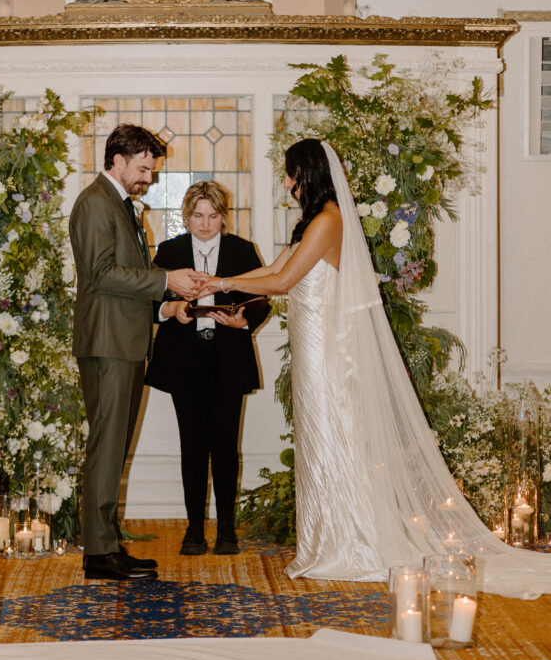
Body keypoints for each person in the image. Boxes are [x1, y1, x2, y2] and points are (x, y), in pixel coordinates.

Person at [200, 139, 550, 599]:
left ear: (306, 174)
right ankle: (327, 539)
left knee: (334, 442)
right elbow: (272, 269)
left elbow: (283, 283)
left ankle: (353, 543)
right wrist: (221, 289)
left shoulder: (329, 221)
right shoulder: (310, 224)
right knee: (317, 445)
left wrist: (219, 281)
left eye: (289, 174)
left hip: (327, 354)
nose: (285, 182)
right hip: (310, 354)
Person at [69, 124, 202, 581]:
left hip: (122, 340)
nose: (149, 177)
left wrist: (165, 308)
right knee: (106, 449)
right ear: (118, 159)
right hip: (107, 345)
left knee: (113, 448)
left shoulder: (117, 204)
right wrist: (167, 279)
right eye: (144, 168)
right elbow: (101, 274)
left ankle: (107, 547)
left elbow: (124, 281)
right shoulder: (94, 204)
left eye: (151, 169)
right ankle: (99, 554)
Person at [145, 182, 270, 556]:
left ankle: (228, 530)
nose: (205, 224)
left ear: (223, 217)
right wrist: (172, 310)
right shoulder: (170, 251)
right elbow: (146, 302)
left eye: (213, 216)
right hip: (185, 359)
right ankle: (194, 530)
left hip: (227, 357)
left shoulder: (242, 250)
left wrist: (243, 322)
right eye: (198, 216)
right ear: (186, 216)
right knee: (192, 445)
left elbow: (262, 299)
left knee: (226, 446)